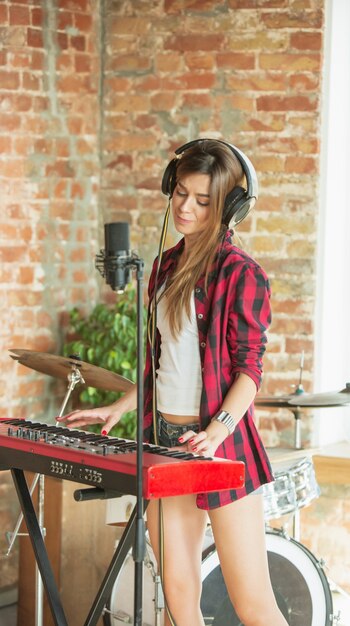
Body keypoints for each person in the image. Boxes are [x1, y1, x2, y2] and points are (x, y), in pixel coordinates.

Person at [59, 139, 289, 626]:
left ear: (228, 207)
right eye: (181, 192)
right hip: (163, 443)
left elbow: (250, 369)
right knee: (179, 601)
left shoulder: (242, 274)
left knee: (253, 605)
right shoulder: (163, 266)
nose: (185, 207)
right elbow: (163, 364)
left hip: (221, 449)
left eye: (203, 200)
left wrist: (217, 431)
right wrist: (119, 406)